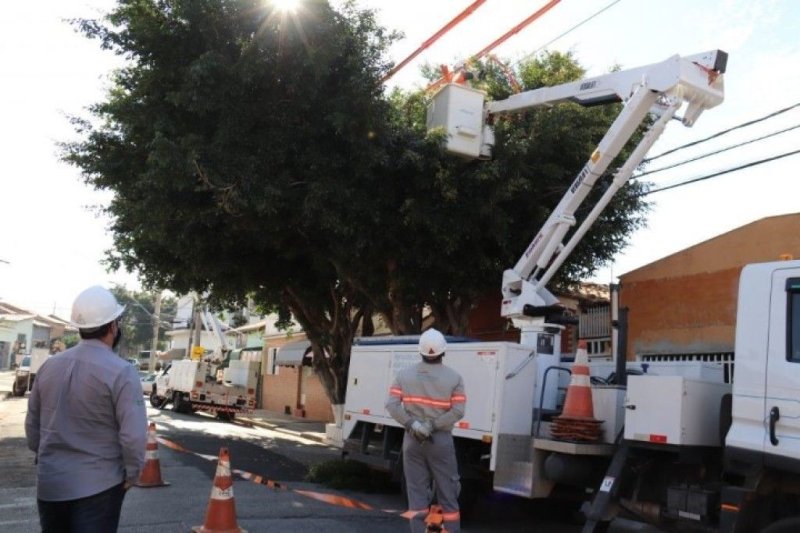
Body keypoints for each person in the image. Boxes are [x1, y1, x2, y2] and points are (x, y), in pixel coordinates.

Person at [25, 285, 148, 533]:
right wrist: (133, 473)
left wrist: (48, 457)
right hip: (99, 486)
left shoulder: (49, 367)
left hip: (50, 485)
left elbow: (32, 426)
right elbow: (133, 435)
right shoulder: (122, 371)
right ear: (113, 326)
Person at [386, 328, 466, 533]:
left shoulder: (404, 375)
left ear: (420, 352)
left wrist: (413, 424)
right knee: (448, 496)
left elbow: (392, 405)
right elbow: (458, 411)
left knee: (417, 497)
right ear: (443, 352)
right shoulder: (454, 378)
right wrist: (432, 425)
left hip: (412, 441)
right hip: (440, 441)